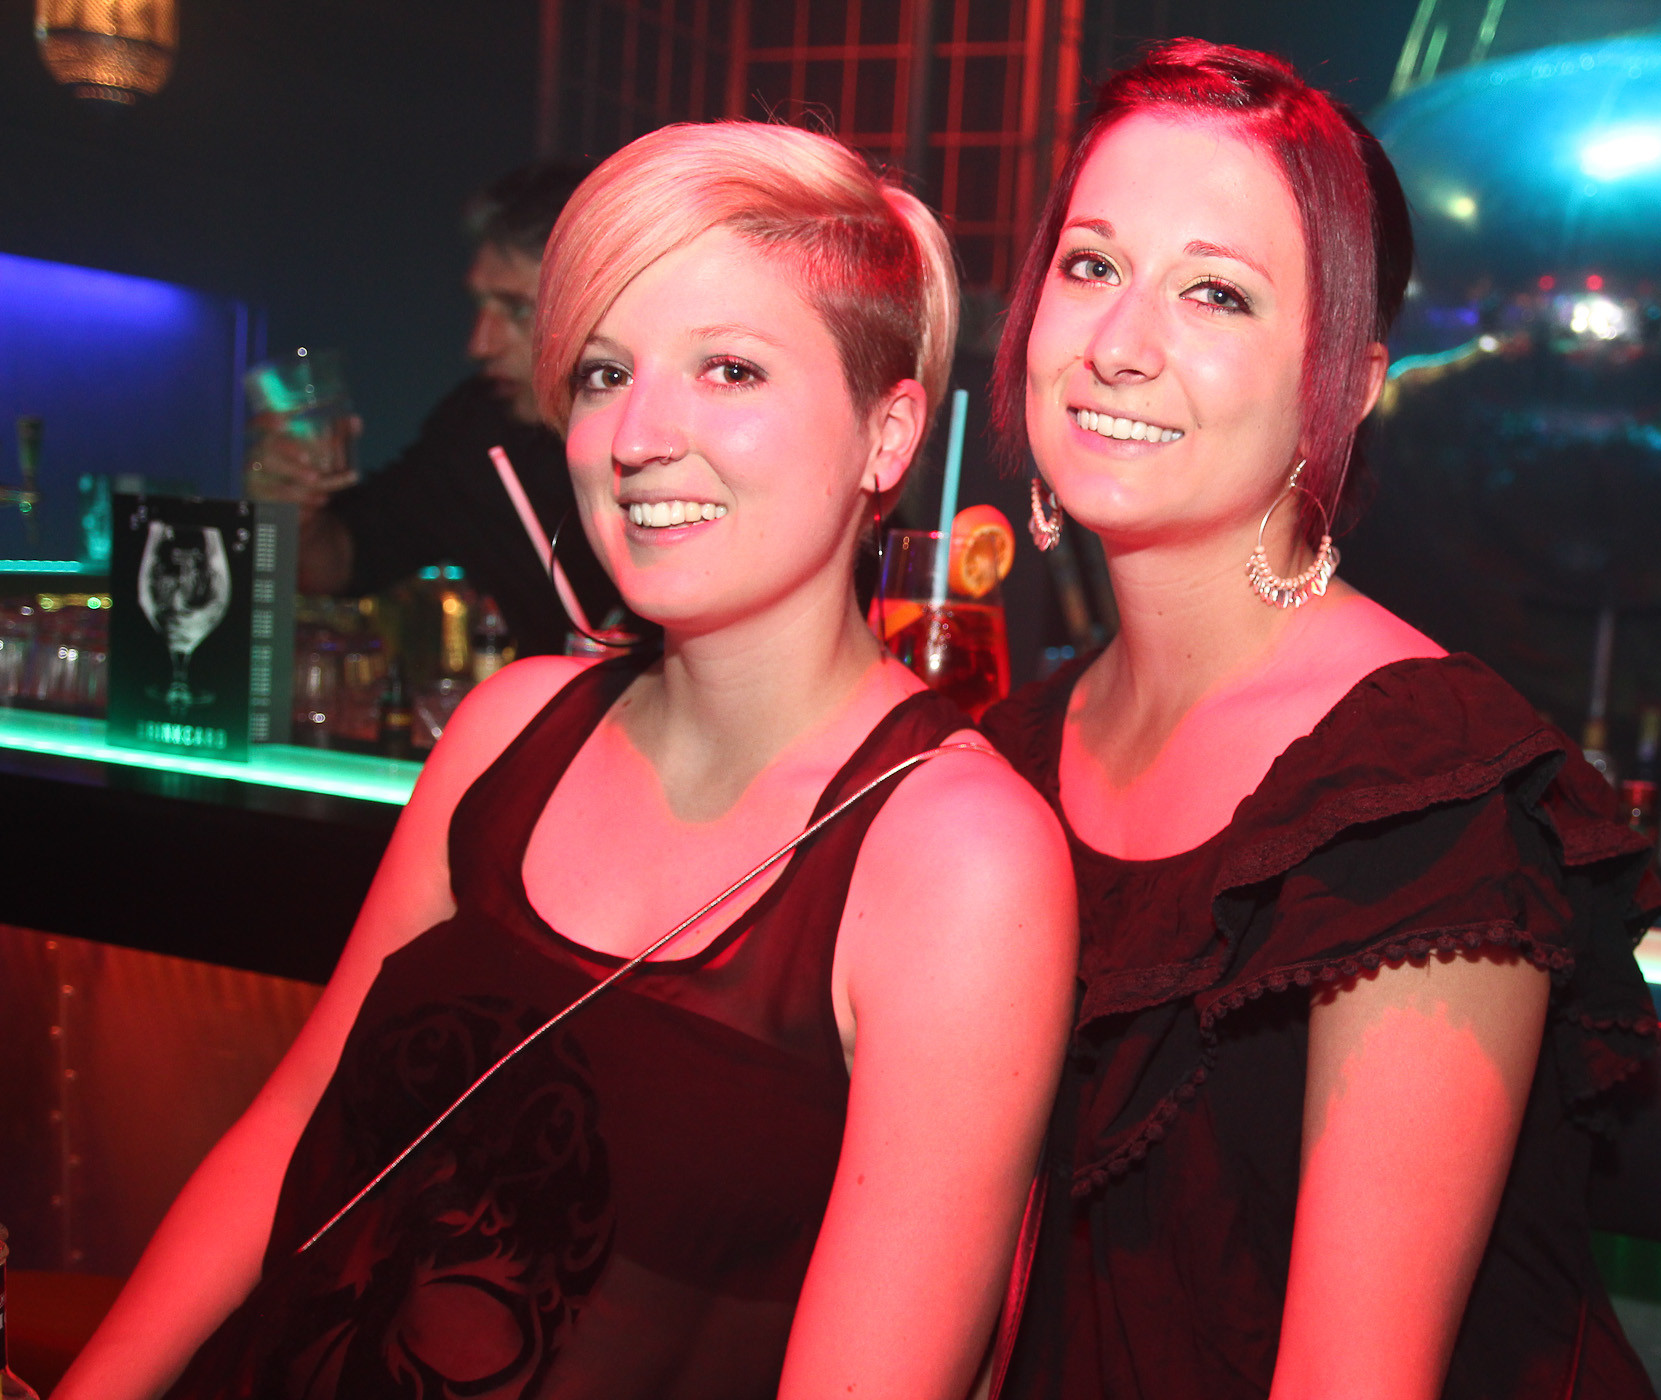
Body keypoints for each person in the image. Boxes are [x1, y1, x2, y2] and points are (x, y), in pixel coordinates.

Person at [58, 121, 1077, 1400]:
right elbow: (293, 1130)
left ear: (889, 433)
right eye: (604, 371)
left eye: (730, 368)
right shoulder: (510, 727)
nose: (638, 434)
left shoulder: (956, 858)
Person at [979, 40, 1661, 1400]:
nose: (1118, 345)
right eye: (1091, 266)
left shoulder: (1419, 792)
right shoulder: (1007, 758)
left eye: (1215, 293)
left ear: (1346, 385)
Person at [247, 160, 622, 656]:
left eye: (517, 309)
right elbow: (340, 564)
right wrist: (295, 507)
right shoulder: (477, 428)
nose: (479, 344)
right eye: (481, 305)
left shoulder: (671, 433)